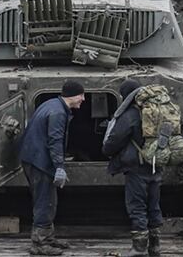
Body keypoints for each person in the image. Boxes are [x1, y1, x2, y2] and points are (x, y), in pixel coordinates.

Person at [18, 80, 86, 255]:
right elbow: (54, 141)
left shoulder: (52, 104)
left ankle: (47, 238)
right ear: (73, 96)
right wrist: (60, 167)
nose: (83, 99)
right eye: (81, 95)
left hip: (34, 158)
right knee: (45, 202)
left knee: (48, 200)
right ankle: (40, 244)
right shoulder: (58, 113)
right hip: (40, 161)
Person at [102, 79, 163, 257]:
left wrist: (106, 150)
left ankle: (139, 248)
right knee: (154, 205)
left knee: (137, 206)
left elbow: (115, 140)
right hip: (156, 165)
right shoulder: (158, 110)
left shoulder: (130, 115)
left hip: (136, 168)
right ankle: (155, 246)